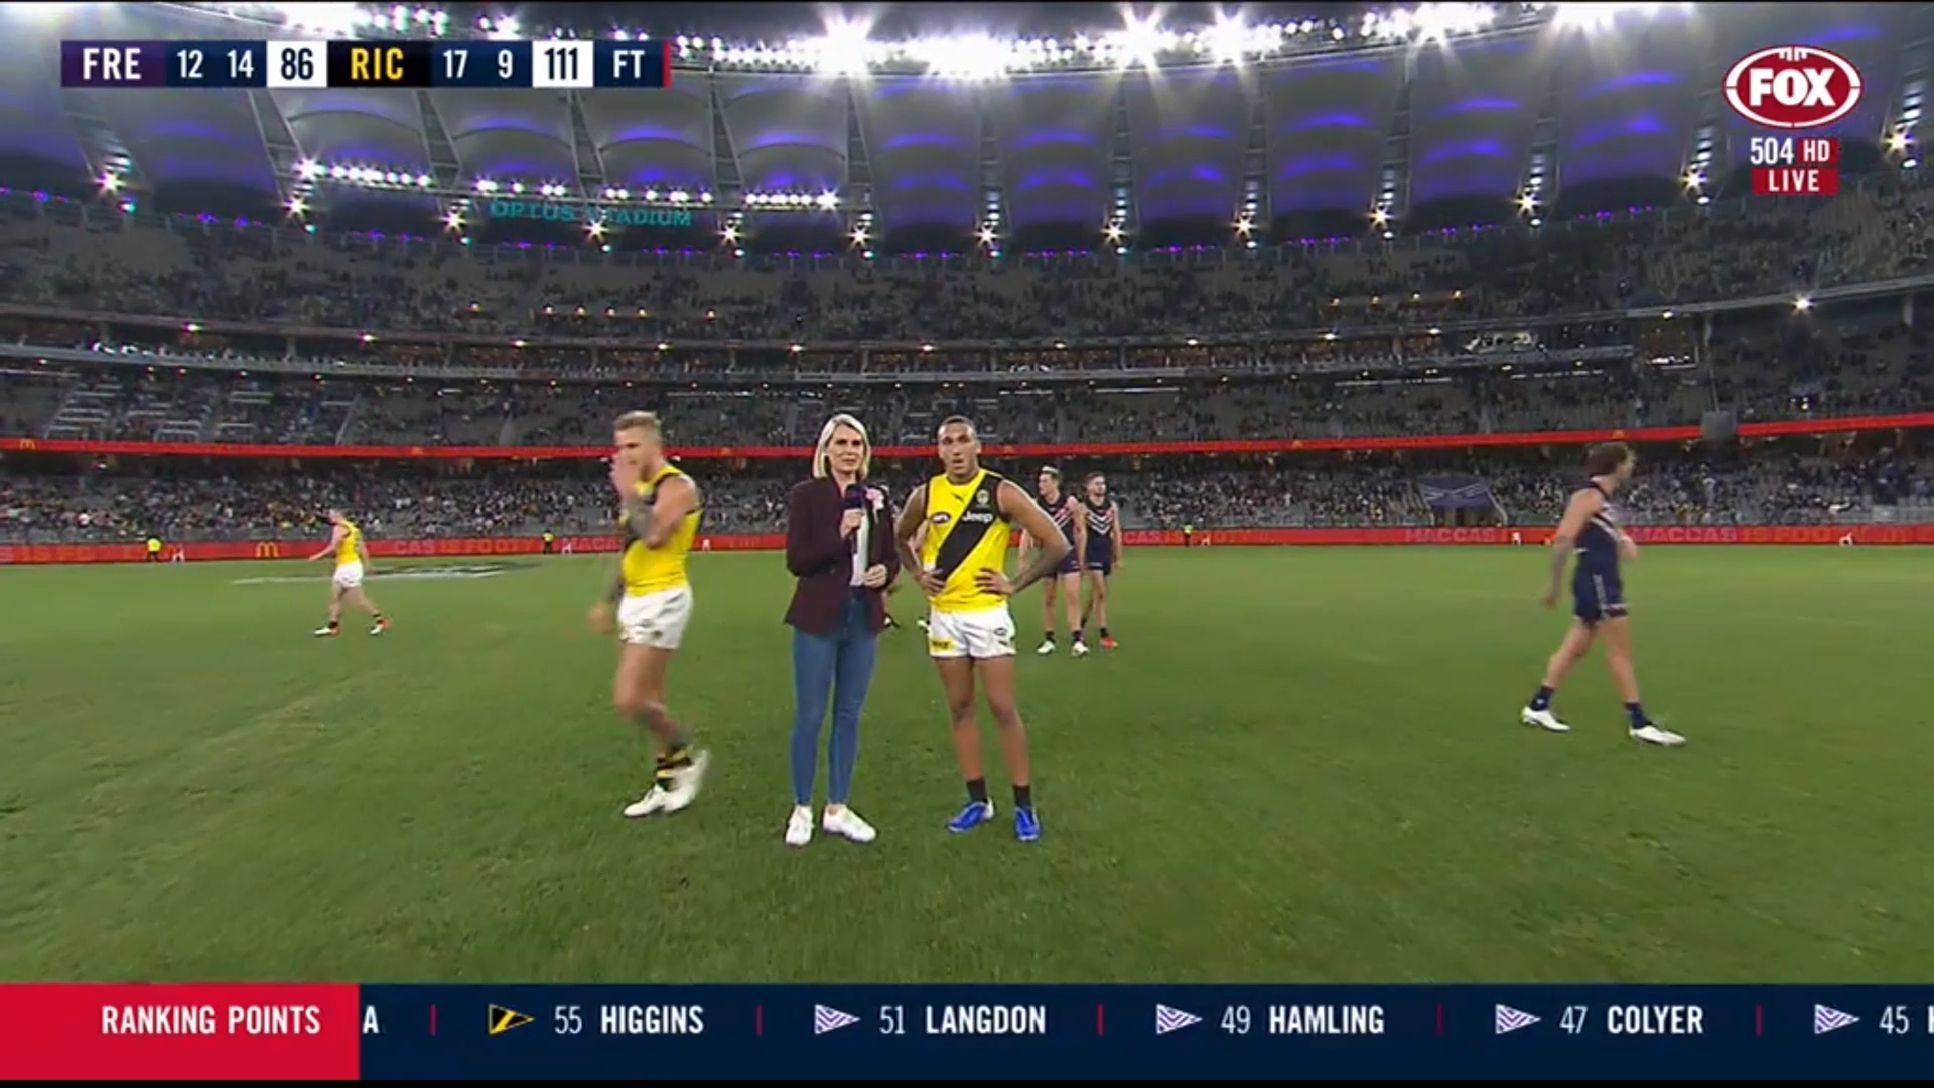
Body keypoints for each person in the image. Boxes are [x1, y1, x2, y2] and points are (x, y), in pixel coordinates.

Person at [895, 416, 1071, 842]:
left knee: (1002, 708)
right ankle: (978, 800)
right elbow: (900, 537)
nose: (956, 449)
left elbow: (1057, 544)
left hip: (987, 615)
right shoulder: (926, 494)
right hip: (945, 617)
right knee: (960, 708)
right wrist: (918, 575)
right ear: (939, 450)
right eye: (947, 442)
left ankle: (1024, 806)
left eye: (963, 440)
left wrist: (1014, 584)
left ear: (978, 446)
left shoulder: (1001, 492)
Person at [781, 414, 899, 847]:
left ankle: (838, 807)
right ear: (826, 450)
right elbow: (797, 560)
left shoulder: (876, 498)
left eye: (857, 444)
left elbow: (890, 555)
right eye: (842, 443)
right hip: (818, 616)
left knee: (849, 715)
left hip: (862, 615)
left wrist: (885, 572)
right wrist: (838, 534)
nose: (850, 451)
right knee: (810, 715)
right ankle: (801, 808)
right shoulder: (807, 496)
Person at [1521, 442, 1686, 747]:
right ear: (1617, 464)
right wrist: (1553, 584)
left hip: (1601, 578)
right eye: (1630, 460)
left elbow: (1605, 530)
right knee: (1620, 652)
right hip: (1597, 579)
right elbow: (1564, 538)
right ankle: (1639, 722)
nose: (1633, 466)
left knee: (1576, 647)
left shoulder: (1603, 501)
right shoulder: (1588, 496)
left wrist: (1622, 540)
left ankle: (1538, 706)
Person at [588, 411, 711, 817]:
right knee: (652, 698)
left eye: (633, 446)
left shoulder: (676, 486)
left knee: (629, 699)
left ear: (655, 445)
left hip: (664, 597)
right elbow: (631, 552)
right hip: (636, 599)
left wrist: (627, 494)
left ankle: (685, 755)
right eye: (620, 447)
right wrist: (609, 600)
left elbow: (655, 537)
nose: (625, 455)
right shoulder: (639, 489)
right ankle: (666, 780)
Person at [1023, 465, 1087, 657]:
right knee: (1049, 599)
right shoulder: (1036, 505)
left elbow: (1080, 530)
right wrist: (1023, 556)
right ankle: (1049, 638)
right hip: (1047, 555)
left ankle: (1077, 639)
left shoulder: (1069, 503)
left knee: (1072, 596)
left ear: (1055, 483)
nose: (1040, 485)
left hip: (1068, 553)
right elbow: (1027, 531)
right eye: (1040, 481)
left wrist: (1081, 557)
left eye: (1045, 481)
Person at [307, 509, 389, 637]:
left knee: (358, 600)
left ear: (338, 515)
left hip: (347, 567)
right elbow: (362, 547)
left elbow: (333, 546)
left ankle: (380, 620)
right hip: (349, 565)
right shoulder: (354, 528)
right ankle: (332, 626)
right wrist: (367, 564)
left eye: (331, 514)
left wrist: (317, 556)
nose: (329, 516)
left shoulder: (339, 528)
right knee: (335, 598)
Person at [1077, 472, 1124, 650]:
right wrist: (1081, 559)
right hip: (1091, 552)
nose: (1101, 486)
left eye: (1103, 483)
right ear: (1088, 487)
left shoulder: (1112, 507)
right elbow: (1081, 533)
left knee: (1096, 595)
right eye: (1096, 483)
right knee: (1101, 593)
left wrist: (1118, 556)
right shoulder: (1083, 508)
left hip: (1105, 552)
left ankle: (1080, 624)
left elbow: (1116, 532)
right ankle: (1104, 634)